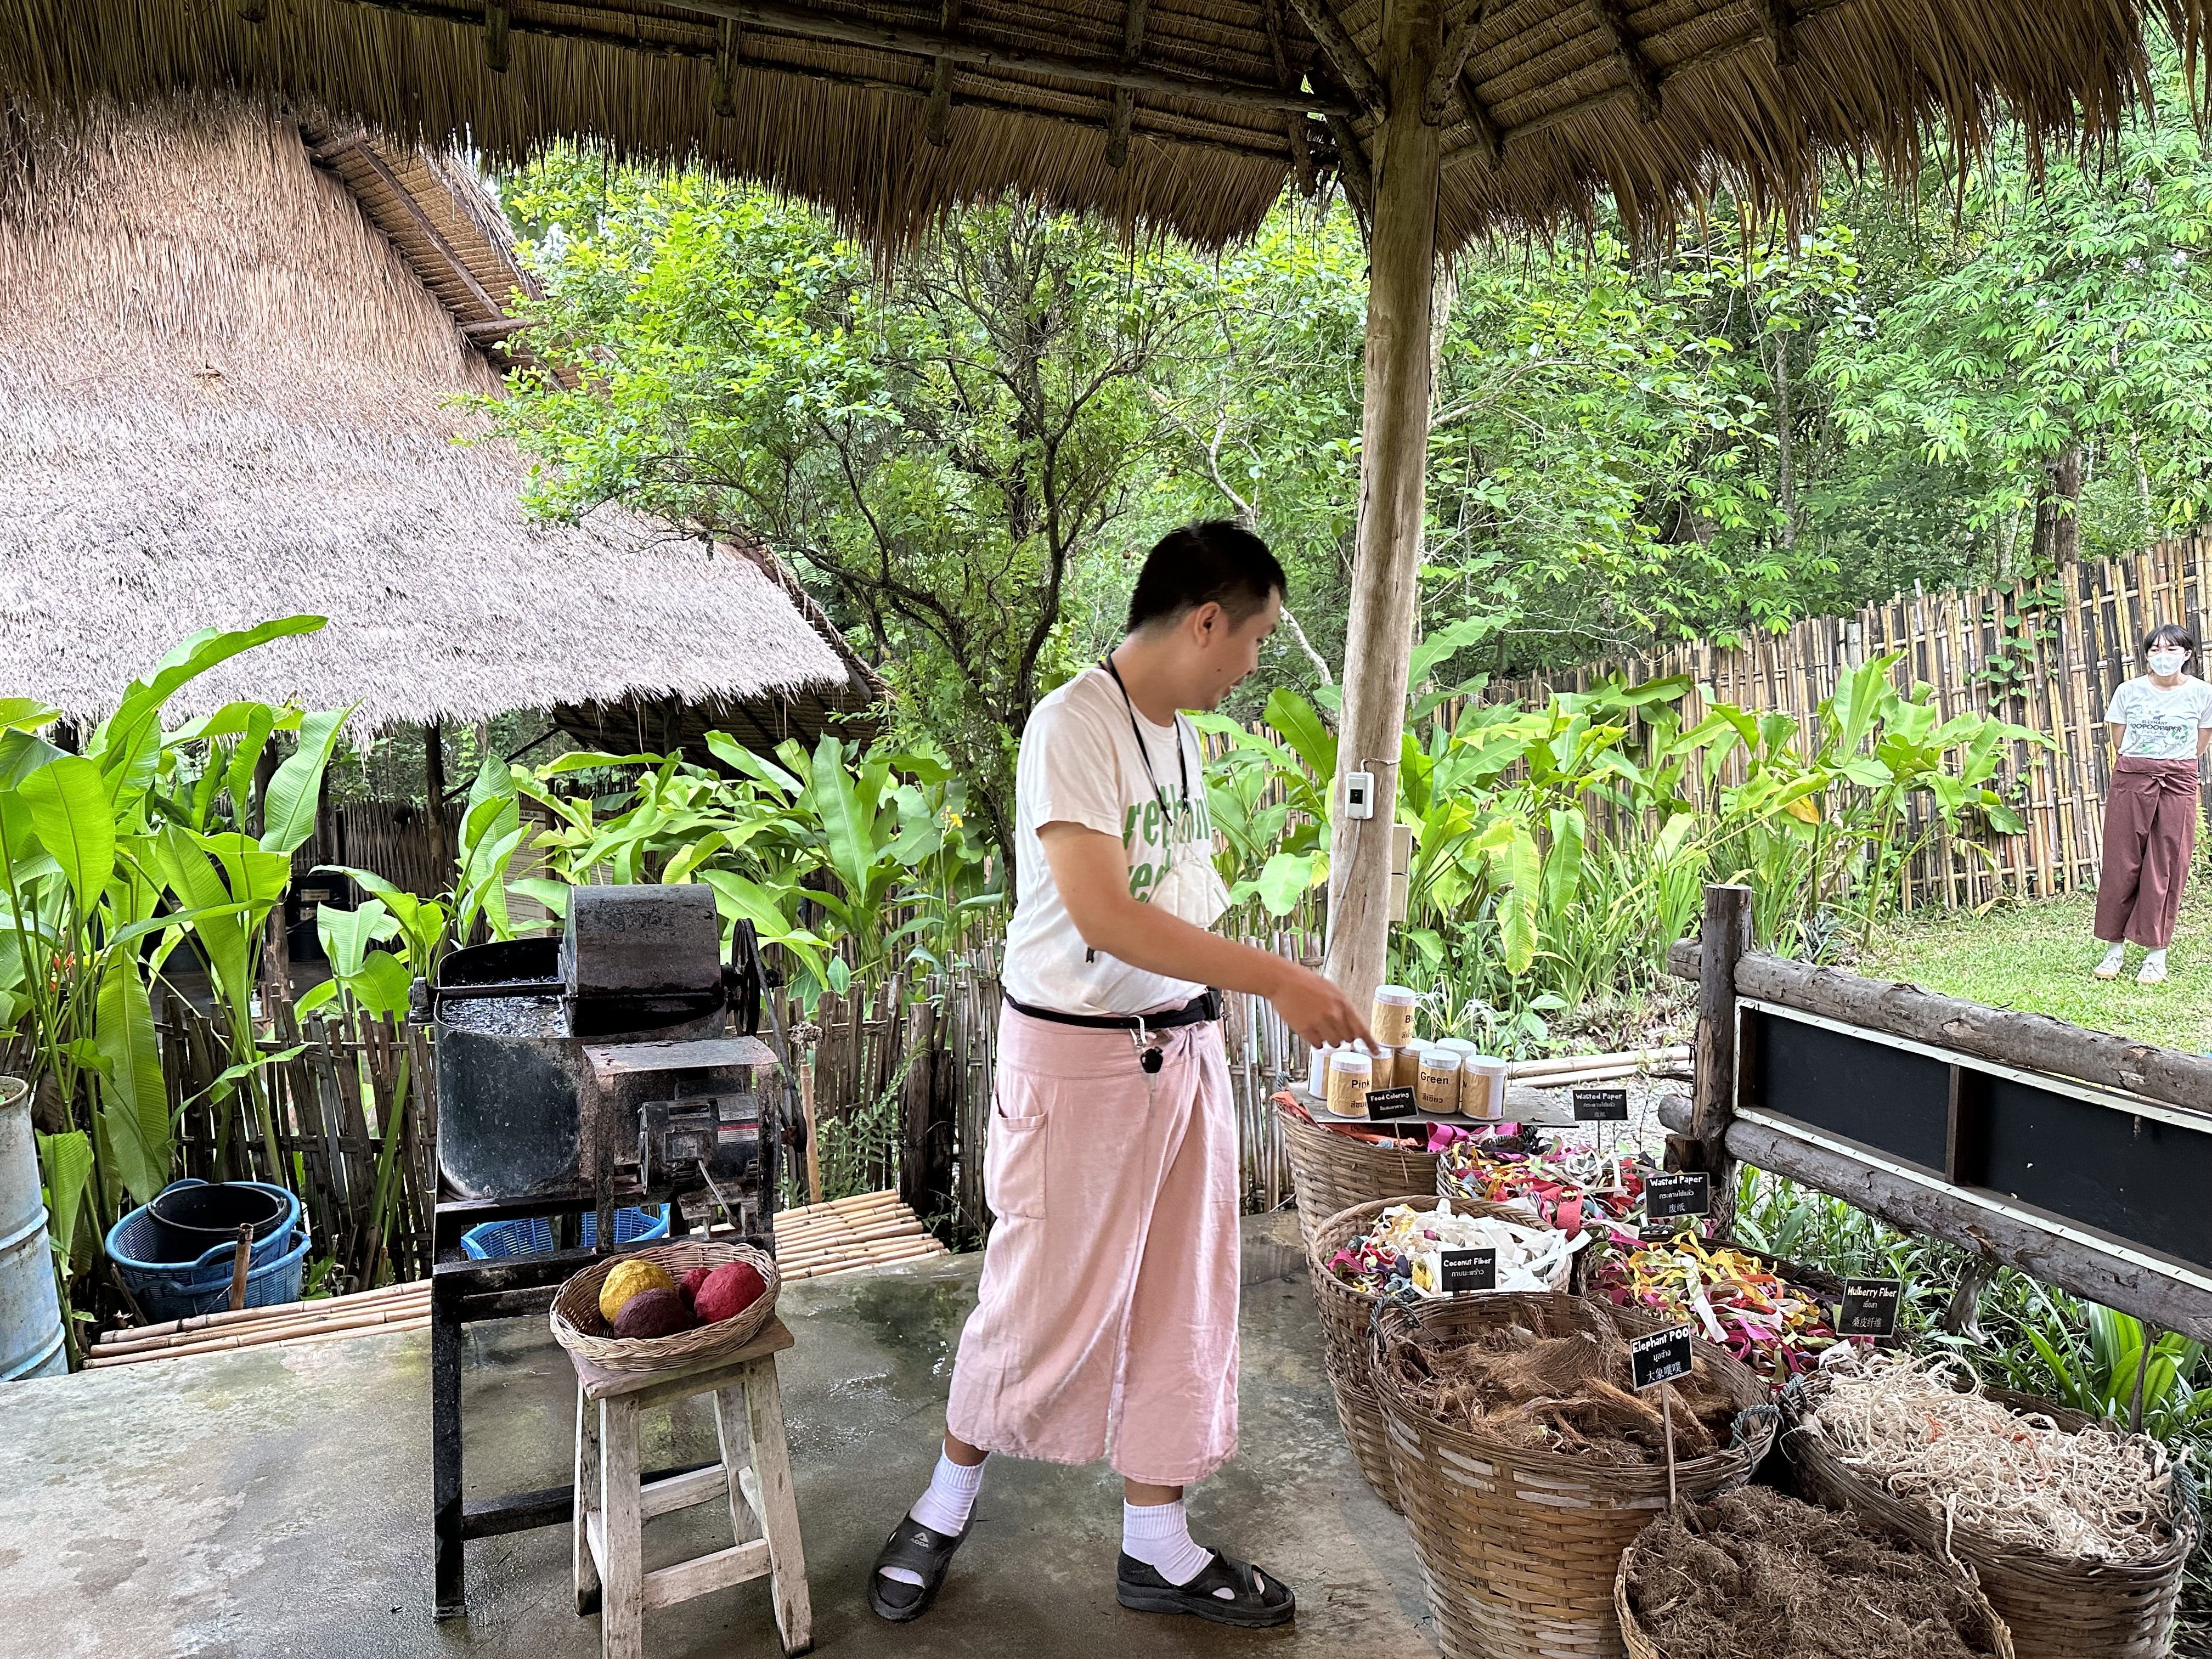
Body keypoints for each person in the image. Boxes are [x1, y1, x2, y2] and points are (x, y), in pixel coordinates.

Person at [867, 520, 1373, 1629]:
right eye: (1254, 642)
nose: (1253, 666)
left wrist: (1232, 980)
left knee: (1180, 1298)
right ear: (1203, 623)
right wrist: (1274, 975)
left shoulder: (1183, 735)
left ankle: (1159, 1541)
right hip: (1078, 1062)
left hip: (1181, 1050)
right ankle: (945, 1502)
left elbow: (1173, 892)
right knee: (1036, 1295)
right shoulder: (1071, 725)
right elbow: (1104, 912)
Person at [2092, 623, 2212, 985]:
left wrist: (2174, 763)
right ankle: (2113, 951)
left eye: (2172, 650)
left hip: (2178, 781)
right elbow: (2118, 735)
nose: (2164, 657)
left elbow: (2202, 739)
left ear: (2187, 654)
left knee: (2167, 864)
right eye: (2156, 650)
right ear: (2147, 655)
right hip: (2132, 777)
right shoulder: (2129, 691)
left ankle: (2155, 956)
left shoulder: (2202, 693)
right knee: (2121, 861)